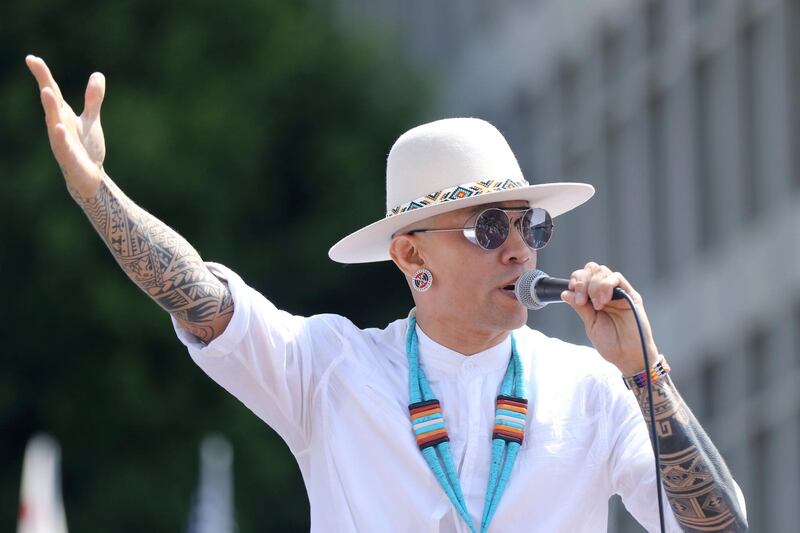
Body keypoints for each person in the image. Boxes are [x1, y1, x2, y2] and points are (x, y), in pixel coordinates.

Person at [26, 54, 747, 533]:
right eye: (490, 225)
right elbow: (201, 298)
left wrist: (645, 376)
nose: (519, 246)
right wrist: (98, 194)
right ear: (410, 256)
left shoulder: (591, 388)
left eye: (531, 224)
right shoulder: (330, 370)